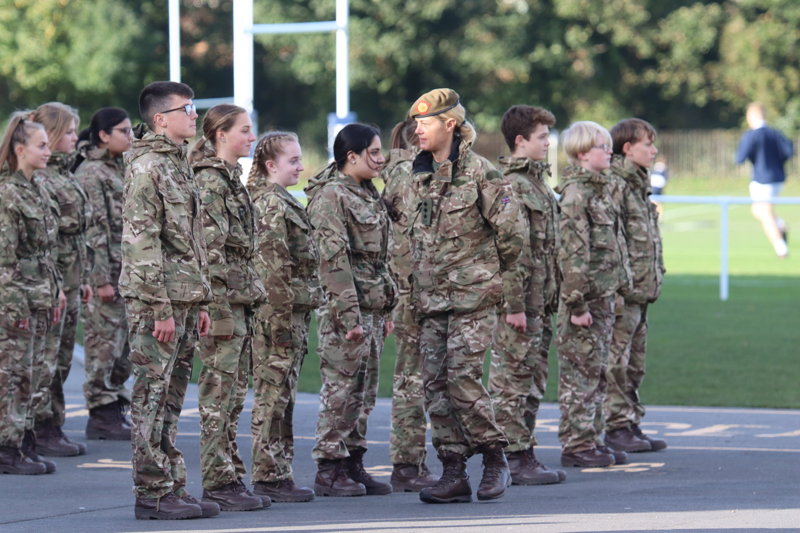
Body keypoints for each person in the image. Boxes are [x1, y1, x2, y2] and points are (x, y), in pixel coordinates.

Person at [406, 88, 526, 504]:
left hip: (473, 298)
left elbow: (512, 234)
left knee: (462, 378)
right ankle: (453, 471)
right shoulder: (416, 174)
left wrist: (488, 276)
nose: (417, 129)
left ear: (450, 125)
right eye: (416, 123)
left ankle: (495, 457)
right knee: (435, 387)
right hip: (430, 300)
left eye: (426, 123)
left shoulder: (481, 173)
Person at [120, 81, 216, 520]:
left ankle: (171, 483)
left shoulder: (177, 164)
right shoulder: (148, 168)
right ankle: (152, 492)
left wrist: (199, 302)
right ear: (161, 119)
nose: (194, 115)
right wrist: (160, 308)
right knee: (151, 397)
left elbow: (189, 242)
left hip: (182, 298)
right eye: (187, 108)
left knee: (173, 397)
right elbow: (142, 243)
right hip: (156, 302)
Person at [304, 123, 397, 498]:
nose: (381, 159)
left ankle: (353, 462)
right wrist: (349, 316)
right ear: (351, 157)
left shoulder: (367, 193)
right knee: (341, 391)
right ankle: (329, 468)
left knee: (364, 392)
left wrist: (386, 308)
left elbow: (379, 259)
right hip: (347, 312)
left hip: (372, 308)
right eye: (373, 152)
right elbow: (333, 261)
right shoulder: (331, 197)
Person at [190, 104, 267, 511]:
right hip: (224, 303)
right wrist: (216, 309)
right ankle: (218, 480)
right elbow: (211, 253)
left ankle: (230, 473)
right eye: (244, 130)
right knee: (218, 395)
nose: (251, 137)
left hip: (240, 300)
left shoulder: (230, 179)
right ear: (221, 134)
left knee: (234, 394)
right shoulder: (211, 182)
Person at [488, 105, 566, 485]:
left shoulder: (538, 183)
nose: (548, 143)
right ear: (520, 141)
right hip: (521, 305)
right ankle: (512, 456)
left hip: (540, 301)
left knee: (533, 379)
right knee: (512, 381)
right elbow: (510, 250)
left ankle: (524, 450)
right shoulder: (512, 185)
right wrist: (513, 305)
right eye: (541, 137)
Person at [249, 131, 322, 503]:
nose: (300, 166)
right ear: (270, 165)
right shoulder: (271, 205)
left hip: (290, 312)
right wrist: (278, 326)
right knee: (272, 396)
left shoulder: (280, 200)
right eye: (292, 161)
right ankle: (268, 474)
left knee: (283, 396)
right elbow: (273, 271)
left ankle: (278, 471)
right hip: (277, 316)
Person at [556, 121, 632, 468]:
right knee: (580, 375)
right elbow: (573, 254)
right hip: (584, 302)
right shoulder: (577, 195)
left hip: (601, 297)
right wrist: (576, 304)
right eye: (603, 146)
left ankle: (592, 438)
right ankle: (577, 444)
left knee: (597, 372)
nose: (610, 151)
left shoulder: (599, 191)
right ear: (584, 153)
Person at [0, 113, 62, 475]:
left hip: (40, 293)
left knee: (33, 374)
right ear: (20, 149)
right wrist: (14, 304)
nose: (48, 151)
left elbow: (45, 250)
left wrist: (54, 292)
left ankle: (21, 442)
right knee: (12, 375)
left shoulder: (36, 186)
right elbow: (5, 258)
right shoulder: (7, 193)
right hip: (17, 298)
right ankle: (6, 449)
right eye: (41, 145)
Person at [30, 102, 92, 458]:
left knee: (63, 357)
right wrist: (55, 286)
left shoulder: (64, 174)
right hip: (50, 283)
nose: (74, 138)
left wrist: (79, 278)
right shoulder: (41, 178)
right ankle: (39, 427)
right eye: (69, 132)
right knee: (46, 358)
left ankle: (52, 424)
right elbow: (46, 241)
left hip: (70, 279)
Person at [602, 118, 667, 454]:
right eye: (647, 144)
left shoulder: (638, 183)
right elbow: (611, 239)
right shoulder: (616, 184)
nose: (654, 150)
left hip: (641, 291)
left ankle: (629, 423)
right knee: (617, 362)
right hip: (623, 292)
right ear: (627, 148)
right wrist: (615, 288)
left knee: (634, 364)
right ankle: (616, 427)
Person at [381, 118, 438, 492]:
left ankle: (411, 461)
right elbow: (414, 235)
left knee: (415, 378)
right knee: (412, 379)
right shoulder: (409, 173)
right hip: (412, 288)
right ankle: (407, 462)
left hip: (413, 286)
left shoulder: (404, 170)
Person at [73, 107, 134, 441]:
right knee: (104, 346)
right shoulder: (92, 173)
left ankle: (114, 408)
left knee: (122, 347)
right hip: (106, 276)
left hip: (125, 272)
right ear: (103, 136)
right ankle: (101, 413)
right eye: (123, 131)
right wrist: (101, 280)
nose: (130, 136)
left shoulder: (119, 169)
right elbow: (92, 231)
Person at [736, 102, 794, 258]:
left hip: (762, 179)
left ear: (751, 116)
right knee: (757, 211)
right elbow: (789, 150)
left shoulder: (752, 134)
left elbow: (740, 157)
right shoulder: (775, 133)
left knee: (764, 212)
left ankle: (781, 248)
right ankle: (780, 225)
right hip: (778, 178)